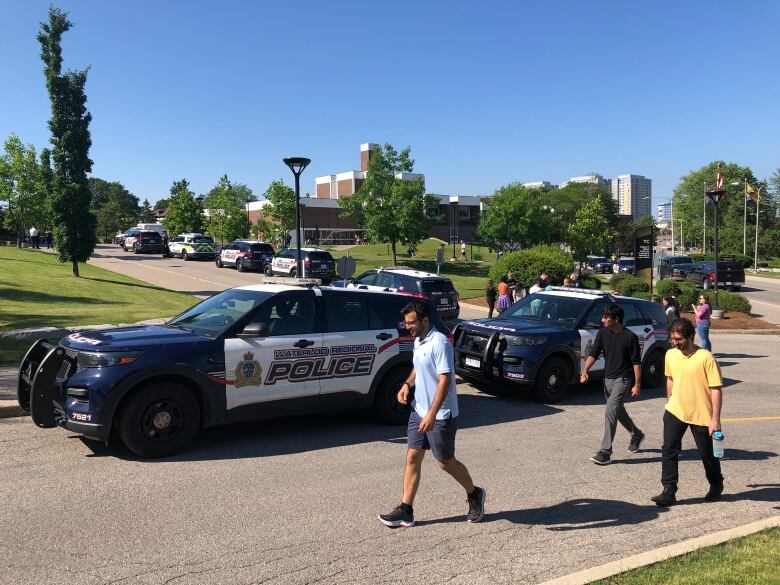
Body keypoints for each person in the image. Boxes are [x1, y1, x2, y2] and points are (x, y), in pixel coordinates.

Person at [378, 301, 486, 527]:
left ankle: (475, 493)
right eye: (406, 323)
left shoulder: (440, 343)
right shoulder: (419, 340)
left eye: (411, 322)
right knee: (412, 457)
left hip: (441, 414)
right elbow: (418, 366)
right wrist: (407, 384)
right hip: (419, 410)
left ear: (425, 320)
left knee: (444, 462)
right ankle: (406, 510)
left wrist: (432, 414)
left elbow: (445, 380)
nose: (408, 327)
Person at [651, 318, 723, 506]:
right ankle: (669, 490)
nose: (675, 343)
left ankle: (716, 484)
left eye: (679, 339)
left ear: (690, 336)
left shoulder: (706, 357)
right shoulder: (671, 355)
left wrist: (715, 419)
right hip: (675, 410)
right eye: (672, 339)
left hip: (702, 414)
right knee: (669, 450)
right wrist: (669, 402)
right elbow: (671, 379)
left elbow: (716, 389)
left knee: (707, 453)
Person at [580, 303, 644, 465]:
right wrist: (585, 370)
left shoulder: (630, 337)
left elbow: (636, 362)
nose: (603, 320)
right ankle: (636, 434)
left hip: (623, 379)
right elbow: (594, 353)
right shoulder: (603, 333)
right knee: (617, 411)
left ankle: (605, 451)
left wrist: (637, 384)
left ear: (616, 319)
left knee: (610, 411)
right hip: (608, 378)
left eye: (606, 317)